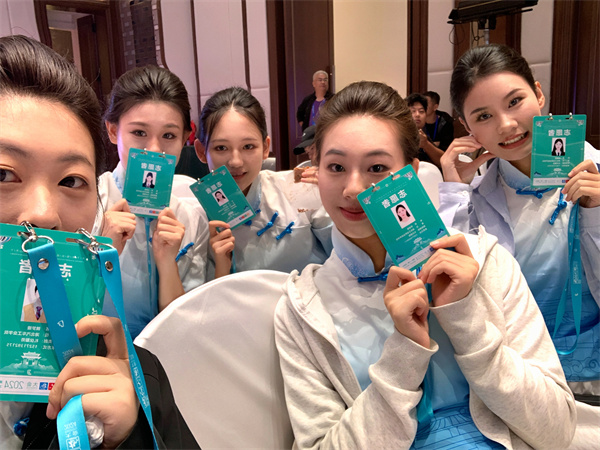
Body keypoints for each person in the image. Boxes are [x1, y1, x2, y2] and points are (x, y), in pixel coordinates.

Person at [274, 80, 576, 449]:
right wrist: (403, 354)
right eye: (336, 166)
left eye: (377, 167)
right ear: (315, 170)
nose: (353, 188)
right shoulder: (304, 308)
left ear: (411, 173)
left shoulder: (485, 261)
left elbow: (557, 431)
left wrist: (466, 319)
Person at [0, 34, 198, 449]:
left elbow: (183, 322)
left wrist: (125, 438)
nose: (43, 215)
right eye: (4, 174)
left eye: (71, 181)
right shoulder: (103, 213)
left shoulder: (137, 383)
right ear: (114, 131)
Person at [438, 43, 600, 447]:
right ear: (468, 129)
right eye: (484, 116)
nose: (507, 125)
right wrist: (453, 191)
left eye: (515, 102)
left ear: (539, 94)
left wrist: (597, 212)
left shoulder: (595, 173)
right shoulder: (476, 199)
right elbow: (456, 290)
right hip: (526, 385)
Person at [99, 65, 208, 339]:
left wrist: (168, 264)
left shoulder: (191, 217)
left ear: (185, 138)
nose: (155, 150)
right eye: (139, 133)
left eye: (169, 136)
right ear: (113, 131)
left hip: (167, 353)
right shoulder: (90, 203)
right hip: (99, 357)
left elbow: (186, 323)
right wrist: (102, 254)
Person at [193, 87, 332, 279]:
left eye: (248, 146)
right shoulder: (195, 218)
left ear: (266, 147)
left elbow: (348, 258)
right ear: (201, 151)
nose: (235, 162)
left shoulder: (302, 186)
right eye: (221, 148)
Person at [406, 93, 445, 169]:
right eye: (413, 111)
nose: (417, 115)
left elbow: (443, 161)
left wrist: (425, 144)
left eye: (421, 111)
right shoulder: (399, 136)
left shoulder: (423, 135)